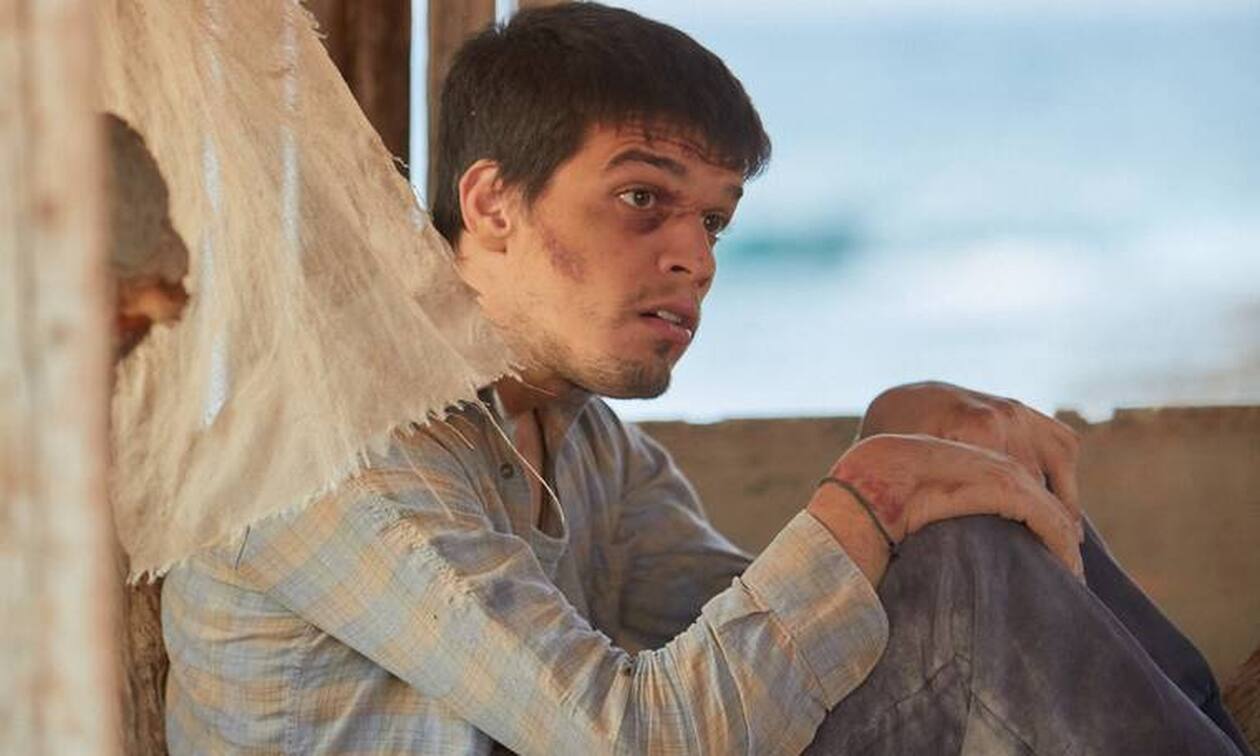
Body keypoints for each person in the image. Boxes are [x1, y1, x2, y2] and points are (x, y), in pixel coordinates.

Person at [159, 4, 1251, 754]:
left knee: (960, 527)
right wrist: (872, 495)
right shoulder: (337, 446)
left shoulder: (584, 438)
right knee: (943, 548)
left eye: (714, 221)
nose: (695, 258)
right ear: (492, 203)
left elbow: (750, 651)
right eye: (643, 199)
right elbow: (639, 737)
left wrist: (893, 467)